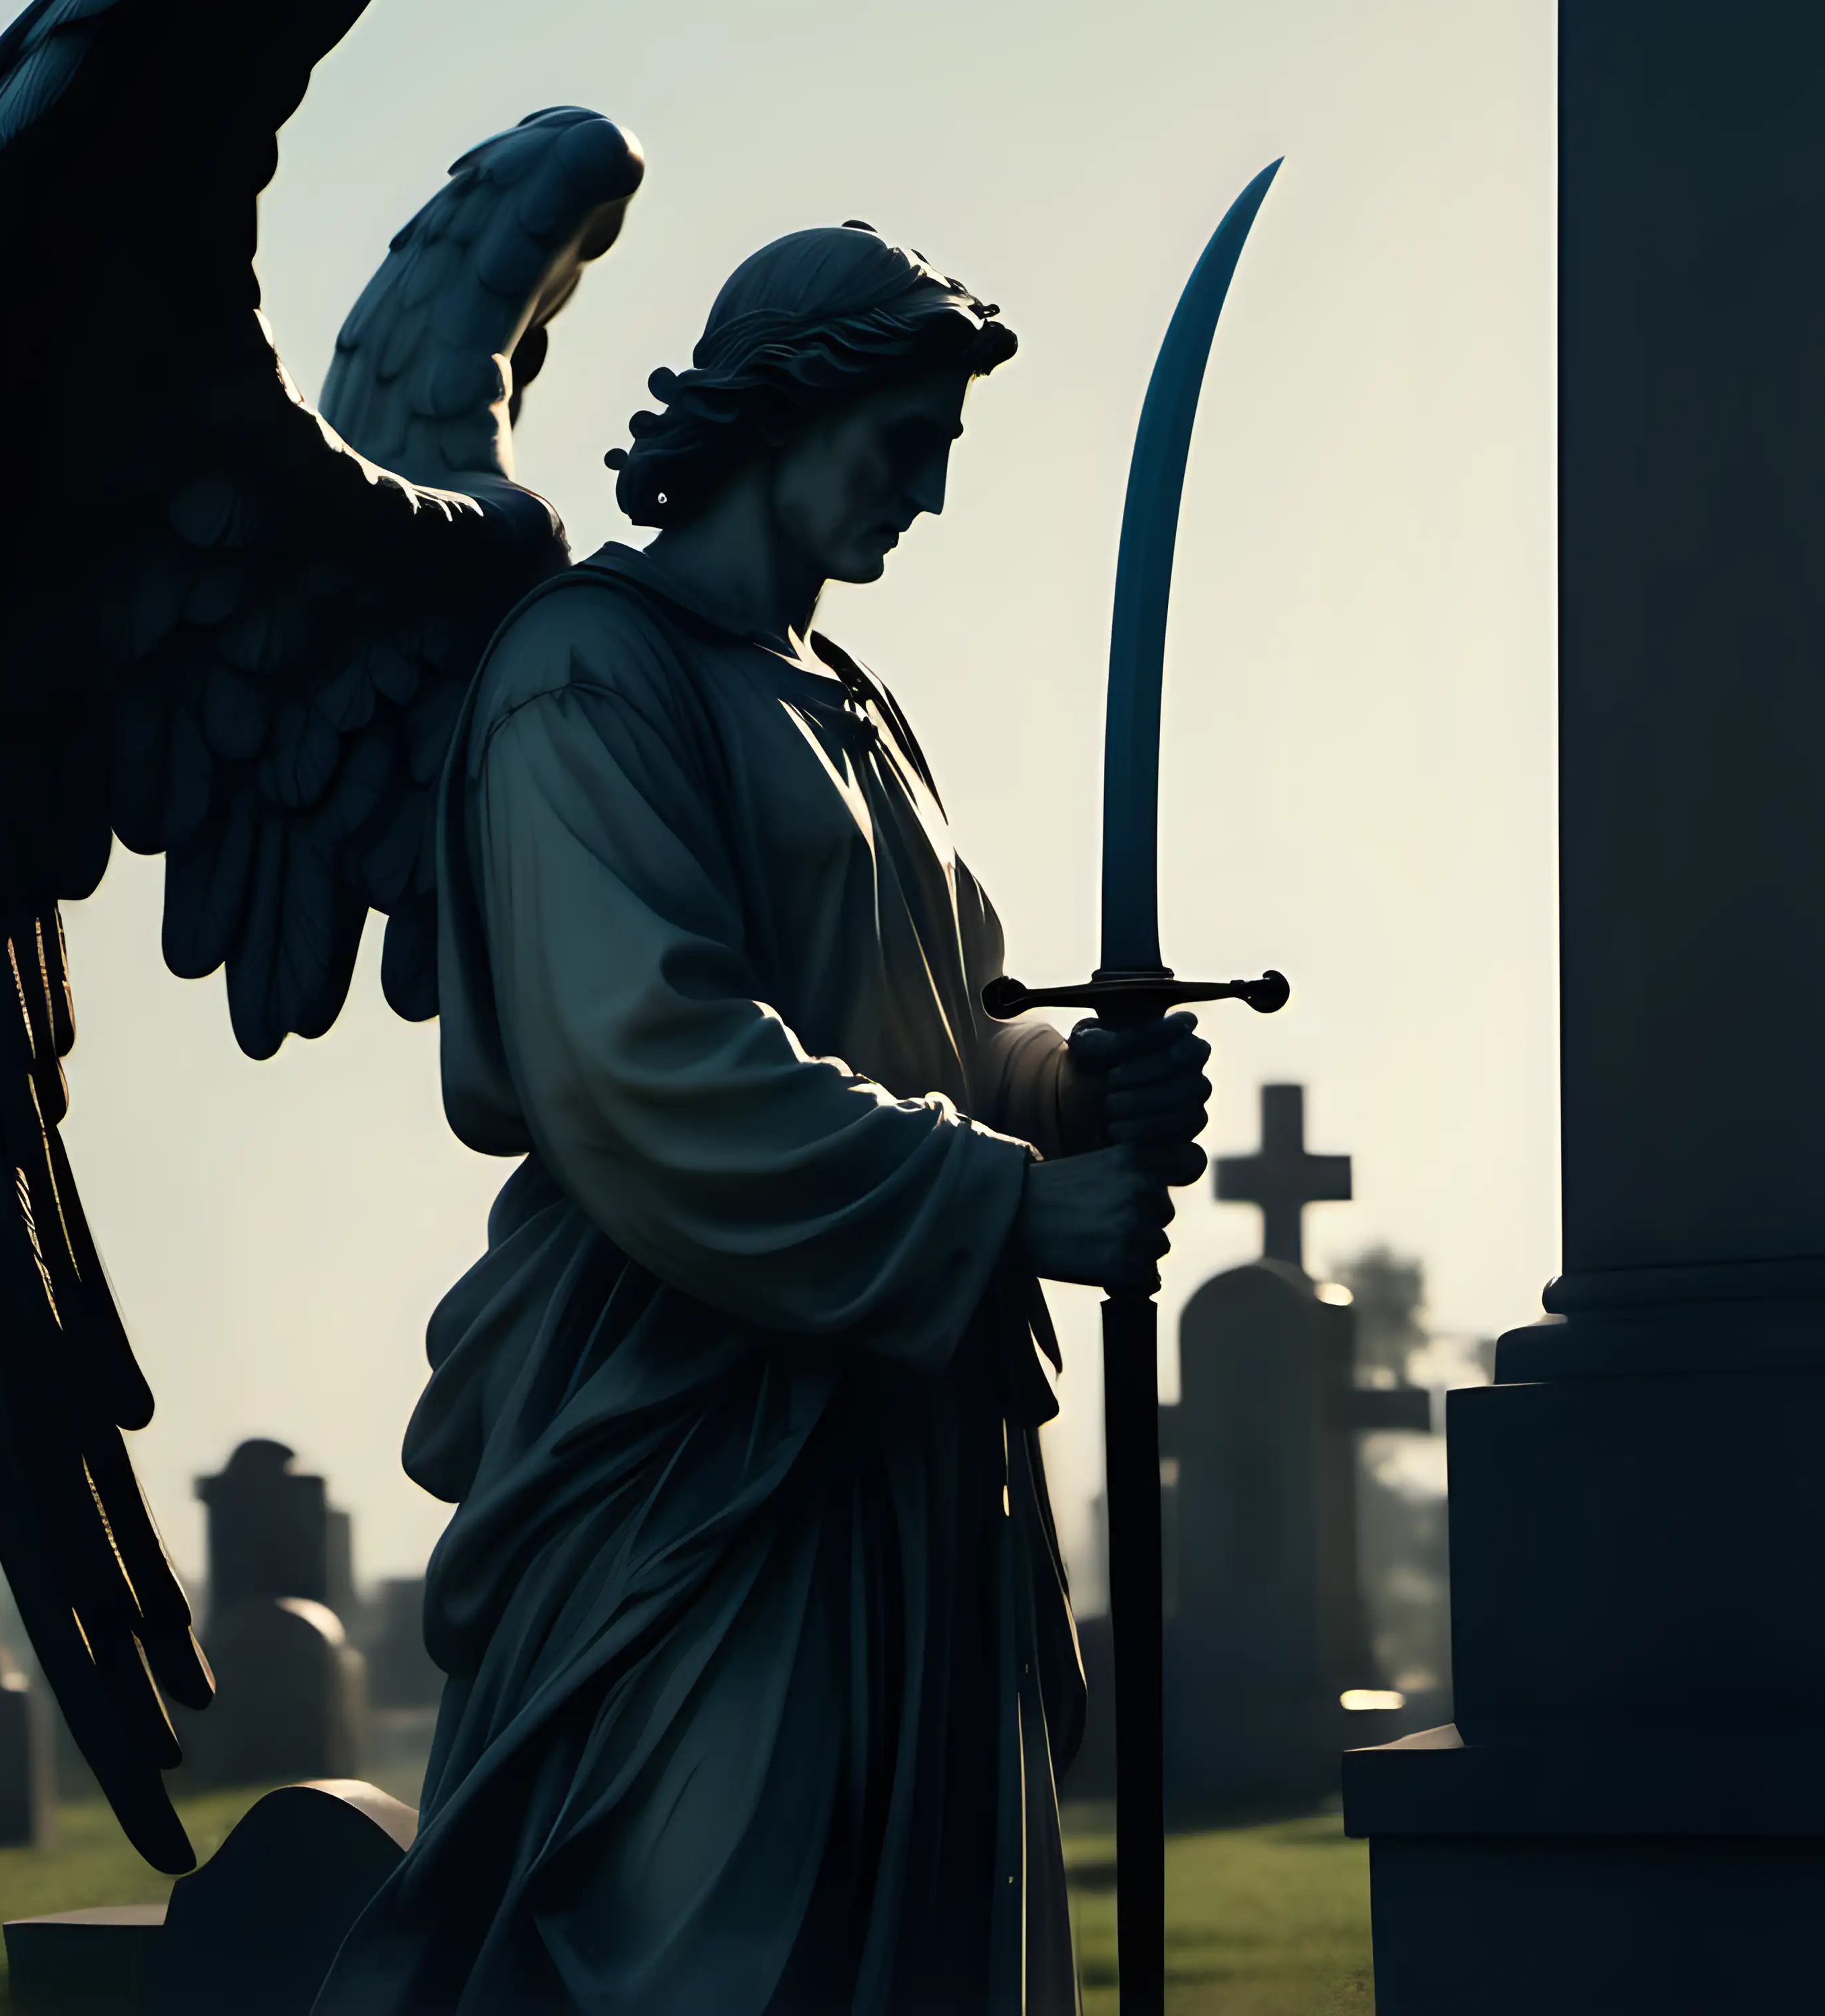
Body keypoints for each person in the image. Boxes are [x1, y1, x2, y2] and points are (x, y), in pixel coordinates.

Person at [316, 226, 1213, 2015]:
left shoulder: (857, 709)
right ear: (788, 415)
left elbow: (939, 1035)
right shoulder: (588, 670)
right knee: (716, 1950)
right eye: (906, 448)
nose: (929, 498)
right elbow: (641, 1061)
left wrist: (1065, 1094)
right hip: (692, 1454)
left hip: (905, 1433)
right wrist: (1015, 1211)